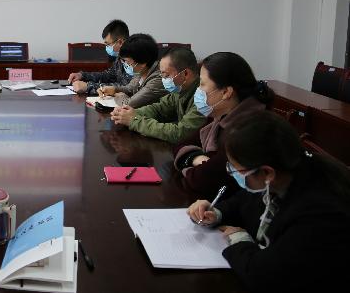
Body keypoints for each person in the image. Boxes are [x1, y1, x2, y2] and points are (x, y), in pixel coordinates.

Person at [187, 111, 350, 292]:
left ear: (267, 172)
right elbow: (244, 201)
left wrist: (239, 241)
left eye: (237, 170)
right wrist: (217, 212)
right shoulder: (284, 172)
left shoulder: (320, 214)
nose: (234, 174)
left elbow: (263, 277)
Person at [173, 52, 274, 199]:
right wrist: (196, 158)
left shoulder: (249, 129)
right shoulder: (219, 115)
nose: (198, 90)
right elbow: (181, 144)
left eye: (202, 84)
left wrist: (192, 161)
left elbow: (200, 180)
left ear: (226, 92)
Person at [111, 47, 206, 143]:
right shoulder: (180, 90)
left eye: (166, 75)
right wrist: (129, 113)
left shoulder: (204, 98)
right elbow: (159, 109)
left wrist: (134, 121)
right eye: (162, 75)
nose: (163, 79)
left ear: (185, 73)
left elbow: (179, 133)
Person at [96, 33, 167, 108]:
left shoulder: (158, 79)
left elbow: (129, 104)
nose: (125, 64)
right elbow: (129, 89)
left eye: (127, 61)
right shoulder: (141, 70)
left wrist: (118, 95)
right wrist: (114, 89)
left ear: (143, 62)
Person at [67, 19, 131, 94]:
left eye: (108, 44)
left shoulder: (135, 58)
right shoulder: (120, 57)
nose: (106, 47)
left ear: (120, 42)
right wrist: (82, 75)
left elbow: (126, 88)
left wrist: (88, 86)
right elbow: (108, 75)